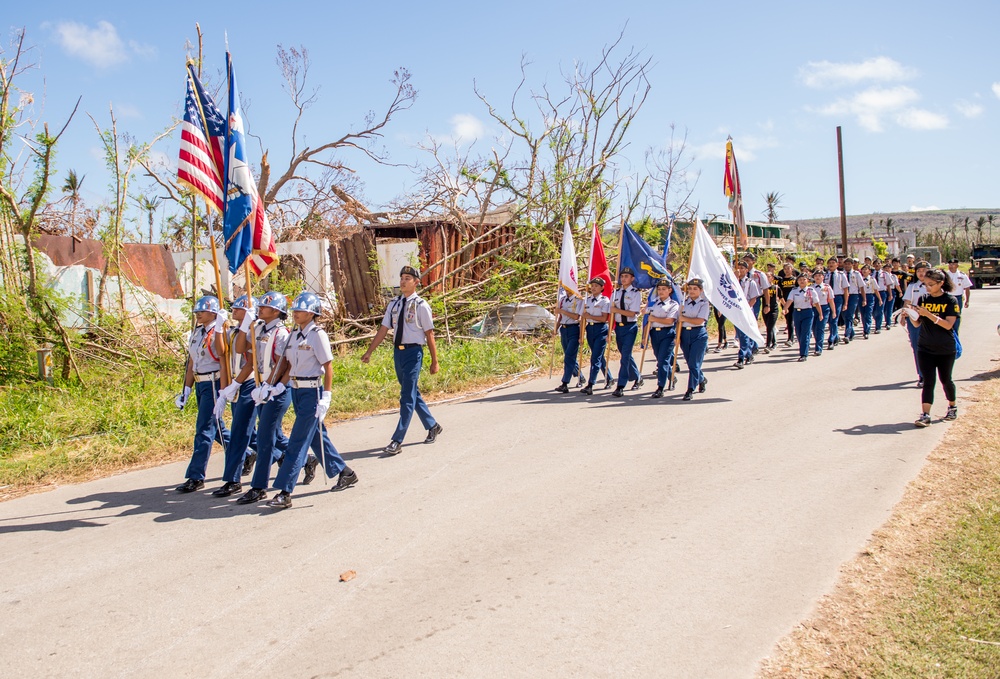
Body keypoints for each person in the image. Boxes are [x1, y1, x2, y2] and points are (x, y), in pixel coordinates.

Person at [266, 292, 357, 509]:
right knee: (315, 436)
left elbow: (328, 366)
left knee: (298, 441)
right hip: (297, 390)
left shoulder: (317, 335)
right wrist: (277, 385)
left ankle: (285, 491)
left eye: (301, 310)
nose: (296, 313)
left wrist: (327, 395)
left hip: (312, 392)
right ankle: (345, 472)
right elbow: (288, 367)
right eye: (295, 310)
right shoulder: (294, 335)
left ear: (312, 313)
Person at [362, 266, 442, 454]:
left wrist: (434, 361)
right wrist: (369, 351)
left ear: (416, 282)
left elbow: (429, 334)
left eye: (408, 278)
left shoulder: (421, 305)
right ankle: (433, 426)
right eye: (402, 278)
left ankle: (397, 440)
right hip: (398, 353)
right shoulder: (394, 304)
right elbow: (383, 329)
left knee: (406, 396)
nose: (403, 281)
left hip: (414, 353)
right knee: (412, 392)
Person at [236, 291, 296, 505]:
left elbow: (282, 364)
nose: (260, 309)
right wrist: (245, 325)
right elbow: (240, 349)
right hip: (262, 387)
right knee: (272, 437)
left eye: (265, 307)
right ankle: (304, 460)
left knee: (264, 438)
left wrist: (270, 386)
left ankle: (259, 486)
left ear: (277, 311)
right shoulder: (259, 328)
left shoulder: (280, 333)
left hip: (276, 390)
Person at [174, 296, 232, 493]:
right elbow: (192, 363)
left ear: (214, 313)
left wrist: (224, 391)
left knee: (204, 430)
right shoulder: (198, 332)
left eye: (203, 311)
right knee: (216, 427)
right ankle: (251, 451)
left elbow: (223, 357)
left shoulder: (220, 332)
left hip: (215, 382)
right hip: (200, 384)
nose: (198, 314)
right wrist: (186, 389)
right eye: (197, 311)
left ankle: (196, 476)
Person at [211, 295, 260, 497]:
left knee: (239, 434)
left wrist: (237, 383)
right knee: (256, 437)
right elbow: (221, 354)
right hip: (234, 385)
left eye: (238, 308)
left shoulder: (252, 332)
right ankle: (293, 458)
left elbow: (249, 361)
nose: (234, 310)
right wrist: (218, 328)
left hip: (247, 383)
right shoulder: (232, 332)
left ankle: (233, 480)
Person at [909, 268, 960, 427]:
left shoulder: (950, 301)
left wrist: (929, 315)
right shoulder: (923, 299)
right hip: (925, 347)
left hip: (945, 348)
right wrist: (910, 315)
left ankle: (952, 406)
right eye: (925, 285)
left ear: (941, 283)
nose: (928, 288)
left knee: (945, 380)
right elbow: (918, 323)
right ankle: (925, 414)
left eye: (931, 284)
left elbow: (948, 325)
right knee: (928, 381)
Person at [611, 267, 643, 396]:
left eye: (626, 276)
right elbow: (611, 312)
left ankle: (621, 385)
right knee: (626, 355)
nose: (623, 279)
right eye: (622, 276)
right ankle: (637, 377)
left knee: (625, 357)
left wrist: (616, 310)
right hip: (619, 327)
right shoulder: (616, 292)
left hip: (630, 327)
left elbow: (631, 313)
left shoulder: (635, 293)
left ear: (632, 279)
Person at [645, 278, 679, 397]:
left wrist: (654, 319)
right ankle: (671, 376)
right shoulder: (654, 303)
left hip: (667, 334)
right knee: (660, 359)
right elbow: (647, 318)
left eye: (664, 289)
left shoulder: (673, 305)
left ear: (670, 290)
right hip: (655, 333)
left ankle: (660, 387)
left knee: (663, 361)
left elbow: (670, 320)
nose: (661, 291)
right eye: (659, 289)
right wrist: (645, 336)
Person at [577, 276, 612, 395]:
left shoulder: (605, 300)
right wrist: (581, 335)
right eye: (592, 286)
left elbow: (603, 318)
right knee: (598, 356)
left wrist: (589, 316)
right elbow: (583, 318)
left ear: (602, 288)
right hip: (590, 329)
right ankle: (610, 377)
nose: (593, 288)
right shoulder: (586, 300)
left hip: (600, 329)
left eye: (596, 286)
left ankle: (591, 383)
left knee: (595, 358)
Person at [679, 279, 710, 401]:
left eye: (695, 289)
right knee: (690, 362)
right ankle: (701, 378)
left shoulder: (704, 303)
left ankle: (690, 389)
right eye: (690, 288)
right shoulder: (683, 302)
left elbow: (700, 320)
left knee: (694, 363)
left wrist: (684, 318)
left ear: (700, 290)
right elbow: (678, 320)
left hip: (698, 334)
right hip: (685, 333)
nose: (692, 291)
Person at [902, 260, 930, 387]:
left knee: (931, 348)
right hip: (914, 319)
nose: (921, 273)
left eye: (924, 271)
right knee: (917, 348)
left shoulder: (935, 286)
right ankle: (922, 375)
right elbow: (907, 302)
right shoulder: (912, 286)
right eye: (919, 271)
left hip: (931, 320)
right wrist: (904, 314)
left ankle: (931, 373)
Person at [783, 273, 822, 361]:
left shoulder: (811, 290)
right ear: (797, 281)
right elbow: (789, 301)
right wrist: (784, 309)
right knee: (799, 333)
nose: (802, 281)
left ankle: (803, 354)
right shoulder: (794, 291)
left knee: (805, 333)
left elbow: (817, 303)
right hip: (797, 312)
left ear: (807, 281)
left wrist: (820, 314)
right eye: (800, 279)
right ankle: (805, 346)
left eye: (804, 279)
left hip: (808, 312)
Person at [553, 290, 584, 393]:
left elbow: (576, 316)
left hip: (574, 329)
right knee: (568, 355)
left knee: (569, 356)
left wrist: (562, 311)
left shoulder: (578, 300)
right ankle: (580, 375)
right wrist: (556, 328)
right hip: (564, 329)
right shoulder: (562, 300)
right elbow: (560, 317)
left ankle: (565, 383)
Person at [733, 261, 760, 369]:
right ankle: (748, 355)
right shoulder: (733, 283)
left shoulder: (750, 282)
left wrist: (746, 309)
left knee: (744, 334)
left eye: (742, 268)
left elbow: (753, 298)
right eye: (738, 268)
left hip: (747, 311)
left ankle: (741, 357)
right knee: (740, 335)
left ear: (746, 270)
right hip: (736, 312)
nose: (740, 270)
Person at [842, 258, 867, 343]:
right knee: (844, 315)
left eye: (849, 264)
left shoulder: (856, 274)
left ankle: (847, 335)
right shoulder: (841, 274)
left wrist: (864, 299)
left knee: (849, 314)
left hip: (853, 295)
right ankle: (851, 332)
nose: (847, 265)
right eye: (846, 264)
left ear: (852, 265)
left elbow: (861, 287)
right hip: (843, 295)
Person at [945, 258, 973, 334]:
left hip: (957, 299)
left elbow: (967, 288)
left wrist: (967, 300)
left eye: (953, 264)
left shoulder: (962, 275)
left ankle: (955, 333)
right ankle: (947, 333)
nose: (951, 266)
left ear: (957, 265)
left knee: (956, 316)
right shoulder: (945, 275)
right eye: (950, 264)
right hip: (947, 298)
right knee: (945, 315)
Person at [775, 261, 798, 347]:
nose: (787, 270)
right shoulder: (781, 281)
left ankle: (790, 339)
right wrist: (783, 303)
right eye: (785, 269)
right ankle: (792, 336)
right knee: (788, 320)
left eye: (788, 268)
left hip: (794, 303)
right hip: (784, 302)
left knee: (790, 320)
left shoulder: (795, 280)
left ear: (792, 269)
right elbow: (779, 293)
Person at [812, 269, 834, 356]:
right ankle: (818, 342)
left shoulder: (827, 287)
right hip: (813, 309)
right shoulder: (811, 288)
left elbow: (831, 300)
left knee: (820, 328)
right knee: (814, 328)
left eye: (819, 276)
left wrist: (834, 311)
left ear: (823, 277)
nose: (817, 277)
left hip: (824, 308)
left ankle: (818, 348)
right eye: (816, 276)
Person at [860, 264, 881, 339]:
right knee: (863, 314)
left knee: (868, 314)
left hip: (870, 296)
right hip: (861, 296)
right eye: (863, 269)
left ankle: (867, 331)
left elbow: (876, 290)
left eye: (866, 269)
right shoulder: (860, 279)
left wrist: (880, 299)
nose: (864, 271)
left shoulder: (872, 279)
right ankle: (864, 327)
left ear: (869, 271)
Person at [762, 263, 779, 351]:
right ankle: (774, 342)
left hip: (774, 309)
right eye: (765, 276)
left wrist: (785, 308)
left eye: (768, 276)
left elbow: (781, 298)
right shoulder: (762, 288)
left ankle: (768, 345)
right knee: (768, 326)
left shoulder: (775, 287)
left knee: (770, 327)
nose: (767, 278)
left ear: (772, 278)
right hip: (765, 309)